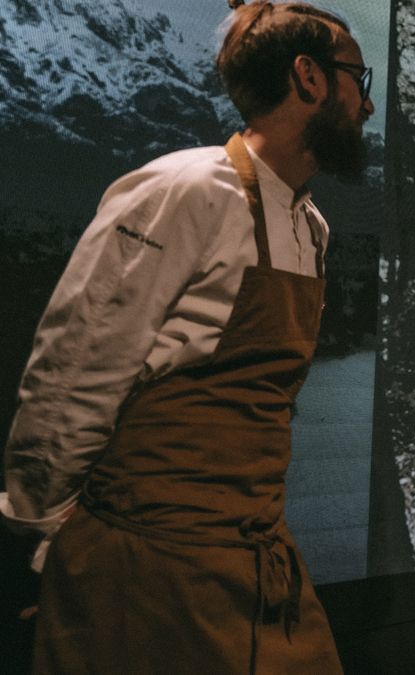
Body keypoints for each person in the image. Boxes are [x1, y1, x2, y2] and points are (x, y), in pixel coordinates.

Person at [0, 1, 374, 672]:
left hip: (255, 556)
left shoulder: (311, 227)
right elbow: (73, 372)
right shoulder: (185, 189)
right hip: (146, 563)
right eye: (358, 79)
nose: (366, 105)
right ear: (309, 78)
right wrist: (43, 536)